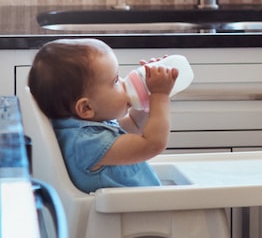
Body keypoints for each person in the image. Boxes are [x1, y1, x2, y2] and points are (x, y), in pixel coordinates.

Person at [27, 38, 178, 193]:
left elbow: (134, 125)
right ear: (86, 108)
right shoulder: (87, 143)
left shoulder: (89, 127)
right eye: (115, 81)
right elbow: (152, 144)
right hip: (129, 214)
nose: (124, 83)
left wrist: (147, 94)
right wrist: (160, 95)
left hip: (135, 207)